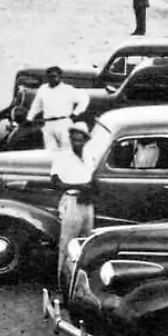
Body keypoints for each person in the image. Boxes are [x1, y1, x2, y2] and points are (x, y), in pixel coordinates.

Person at [50, 121, 95, 283]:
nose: (76, 142)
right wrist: (79, 187)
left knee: (86, 242)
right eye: (74, 139)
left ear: (85, 140)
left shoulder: (89, 154)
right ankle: (61, 281)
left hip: (87, 203)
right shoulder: (63, 156)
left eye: (80, 139)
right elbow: (55, 181)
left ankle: (80, 282)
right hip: (72, 201)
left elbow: (93, 177)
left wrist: (88, 191)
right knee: (67, 243)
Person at [27, 67, 91, 150]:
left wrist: (76, 113)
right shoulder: (43, 89)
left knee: (66, 149)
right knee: (50, 150)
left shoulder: (68, 89)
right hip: (48, 124)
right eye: (49, 77)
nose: (52, 79)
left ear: (60, 77)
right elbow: (36, 105)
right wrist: (29, 117)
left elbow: (85, 98)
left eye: (54, 76)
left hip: (63, 123)